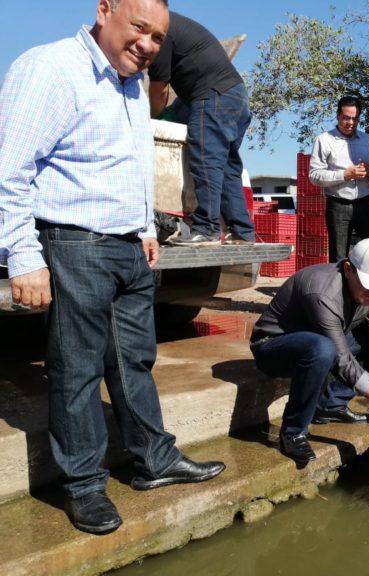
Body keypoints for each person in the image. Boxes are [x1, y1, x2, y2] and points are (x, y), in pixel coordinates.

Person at [0, 0, 225, 536]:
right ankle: (84, 486)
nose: (147, 44)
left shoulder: (131, 84)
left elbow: (124, 164)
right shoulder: (50, 68)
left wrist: (144, 227)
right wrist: (22, 256)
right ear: (104, 10)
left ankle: (155, 459)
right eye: (139, 28)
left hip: (128, 247)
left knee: (134, 361)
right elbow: (10, 169)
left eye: (157, 37)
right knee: (76, 369)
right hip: (74, 243)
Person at [250, 238, 369, 464]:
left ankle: (329, 404)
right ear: (348, 269)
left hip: (322, 339)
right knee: (322, 349)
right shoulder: (322, 292)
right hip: (273, 345)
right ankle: (293, 432)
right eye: (367, 286)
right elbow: (342, 360)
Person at [147, 11, 255, 246]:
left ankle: (206, 228)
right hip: (236, 97)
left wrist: (153, 118)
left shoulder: (159, 29)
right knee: (226, 168)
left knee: (206, 161)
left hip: (214, 97)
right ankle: (242, 231)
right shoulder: (176, 25)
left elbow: (159, 89)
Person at [309, 96, 369, 262]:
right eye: (346, 118)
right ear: (337, 116)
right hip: (338, 204)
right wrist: (344, 175)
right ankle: (339, 288)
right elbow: (314, 175)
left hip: (366, 203)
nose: (351, 122)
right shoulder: (324, 140)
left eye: (355, 118)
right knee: (339, 256)